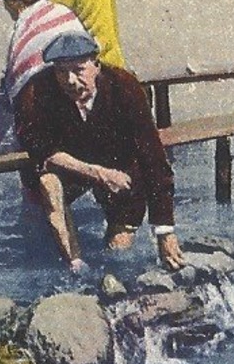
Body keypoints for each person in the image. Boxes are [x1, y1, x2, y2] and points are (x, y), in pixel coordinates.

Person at [14, 33, 184, 273]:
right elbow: (42, 150)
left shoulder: (125, 87)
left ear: (96, 64)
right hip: (68, 166)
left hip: (117, 165)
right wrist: (98, 173)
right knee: (47, 186)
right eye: (62, 71)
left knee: (119, 253)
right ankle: (75, 265)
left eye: (78, 69)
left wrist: (165, 231)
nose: (70, 80)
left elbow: (153, 159)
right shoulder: (34, 93)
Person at [0, 0, 86, 151]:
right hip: (80, 87)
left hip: (49, 97)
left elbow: (16, 78)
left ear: (14, 2)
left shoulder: (23, 26)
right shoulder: (60, 10)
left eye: (5, 2)